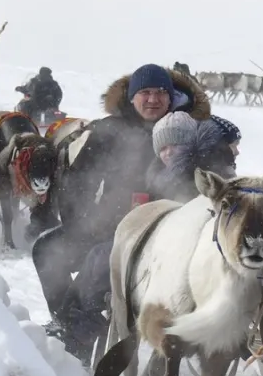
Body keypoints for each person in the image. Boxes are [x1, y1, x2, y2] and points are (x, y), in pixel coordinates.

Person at [33, 63, 209, 356]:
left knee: (99, 260)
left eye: (160, 93)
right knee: (48, 249)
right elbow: (76, 179)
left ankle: (78, 335)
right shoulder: (108, 129)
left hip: (160, 234)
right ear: (131, 97)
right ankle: (65, 320)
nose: (153, 100)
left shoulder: (186, 129)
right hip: (104, 223)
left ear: (171, 96)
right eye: (145, 93)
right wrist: (81, 221)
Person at [149, 112, 240, 202]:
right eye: (163, 149)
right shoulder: (155, 180)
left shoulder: (210, 177)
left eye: (176, 145)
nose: (168, 152)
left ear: (192, 146)